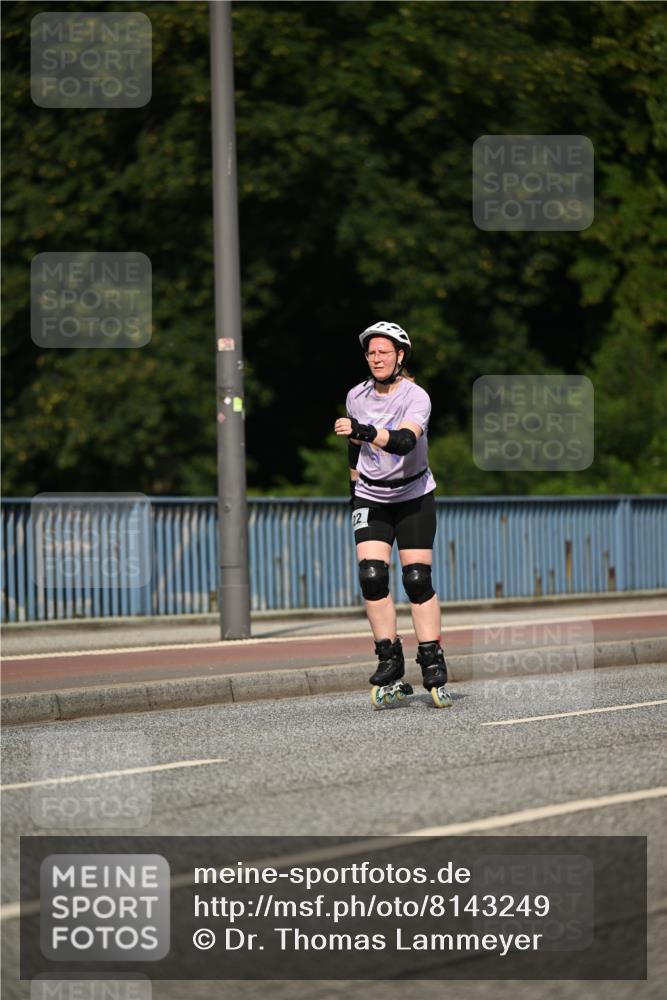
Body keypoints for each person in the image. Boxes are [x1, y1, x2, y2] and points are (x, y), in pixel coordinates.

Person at [334, 321, 452, 708]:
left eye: (384, 352)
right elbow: (354, 450)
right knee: (372, 576)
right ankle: (389, 659)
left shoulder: (416, 397)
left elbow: (403, 442)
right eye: (371, 352)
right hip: (371, 496)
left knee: (416, 579)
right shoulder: (356, 395)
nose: (377, 358)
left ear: (400, 356)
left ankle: (432, 659)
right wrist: (354, 493)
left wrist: (365, 431)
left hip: (414, 495)